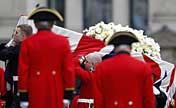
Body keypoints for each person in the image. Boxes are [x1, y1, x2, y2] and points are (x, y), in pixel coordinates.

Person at [18, 7, 75, 108]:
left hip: (35, 88)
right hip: (56, 88)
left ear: (35, 24)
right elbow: (68, 70)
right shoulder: (63, 42)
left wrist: (23, 96)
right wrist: (68, 94)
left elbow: (23, 71)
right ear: (53, 24)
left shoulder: (28, 43)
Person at [94, 31, 155, 108]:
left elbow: (98, 99)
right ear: (130, 48)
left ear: (115, 48)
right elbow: (148, 99)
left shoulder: (102, 67)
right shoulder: (143, 67)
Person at [0, 24, 32, 108]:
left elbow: (5, 55)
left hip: (20, 86)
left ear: (23, 35)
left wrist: (12, 45)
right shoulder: (19, 47)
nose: (13, 34)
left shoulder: (23, 47)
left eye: (16, 32)